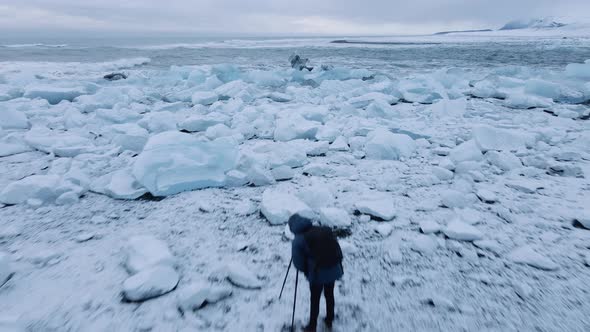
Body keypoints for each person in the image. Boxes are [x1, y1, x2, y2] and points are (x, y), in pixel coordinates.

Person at [288, 214, 344, 332]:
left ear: (292, 227)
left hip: (317, 274)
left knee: (315, 299)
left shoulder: (298, 240)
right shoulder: (322, 229)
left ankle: (312, 327)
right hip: (333, 268)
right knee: (329, 294)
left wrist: (307, 271)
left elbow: (298, 263)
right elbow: (336, 248)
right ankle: (330, 318)